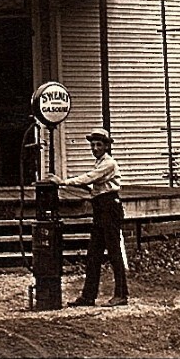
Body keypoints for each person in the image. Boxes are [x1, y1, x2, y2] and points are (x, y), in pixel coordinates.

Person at [50, 127, 128, 306]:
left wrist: (62, 182)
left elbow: (89, 178)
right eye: (92, 145)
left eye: (99, 145)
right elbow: (93, 186)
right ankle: (88, 296)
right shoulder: (100, 163)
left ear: (106, 146)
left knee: (114, 251)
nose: (95, 148)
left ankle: (121, 295)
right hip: (100, 208)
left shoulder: (109, 163)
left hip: (110, 209)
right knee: (94, 253)